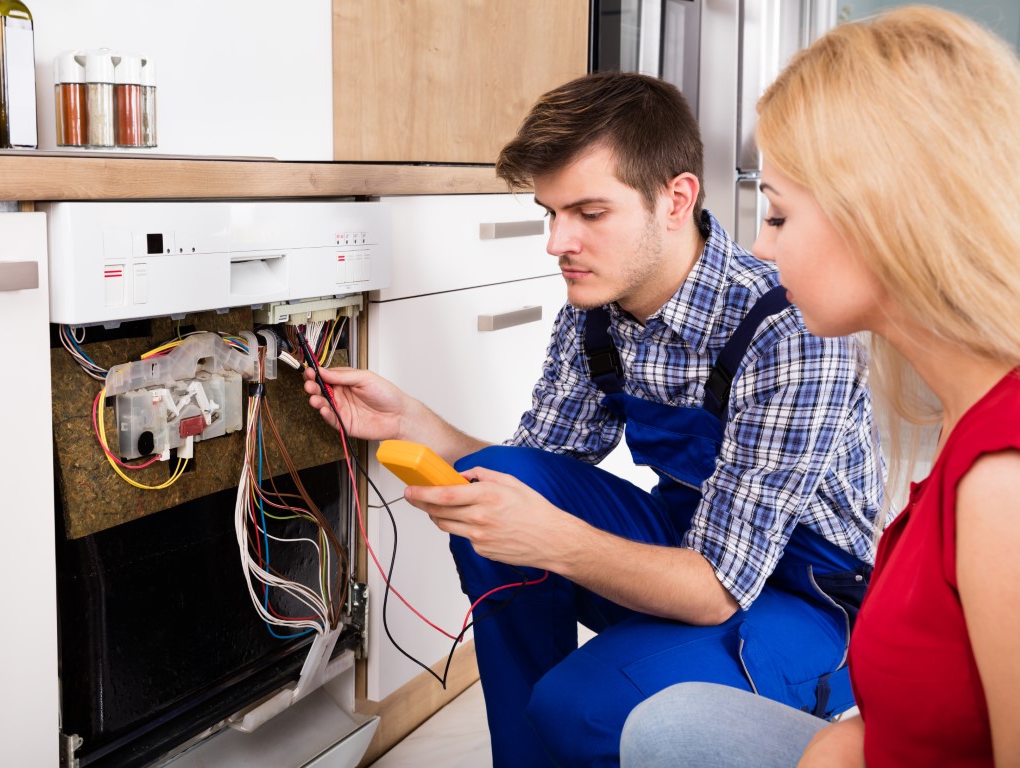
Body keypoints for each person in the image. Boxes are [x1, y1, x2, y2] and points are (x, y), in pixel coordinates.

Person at [303, 71, 884, 767]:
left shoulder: (787, 329)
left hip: (803, 602)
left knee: (582, 707)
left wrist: (556, 541)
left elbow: (715, 589)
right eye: (550, 214)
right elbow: (531, 475)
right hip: (690, 543)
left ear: (675, 199)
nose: (557, 242)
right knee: (497, 481)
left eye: (589, 213)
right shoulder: (598, 314)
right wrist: (415, 424)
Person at [619, 6, 1020, 767]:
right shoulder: (958, 419)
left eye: (777, 214)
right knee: (669, 723)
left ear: (885, 218)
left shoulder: (1004, 484)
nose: (762, 250)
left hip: (794, 594)